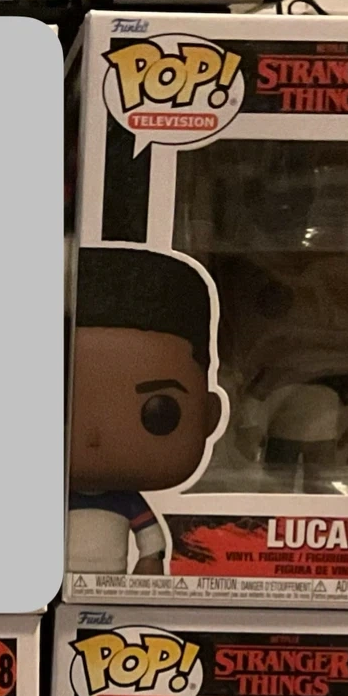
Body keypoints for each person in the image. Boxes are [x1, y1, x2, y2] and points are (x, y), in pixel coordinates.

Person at [68, 245, 226, 575]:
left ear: (208, 416)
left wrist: (150, 561)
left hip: (109, 582)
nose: (94, 436)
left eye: (158, 414)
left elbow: (150, 539)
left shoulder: (126, 501)